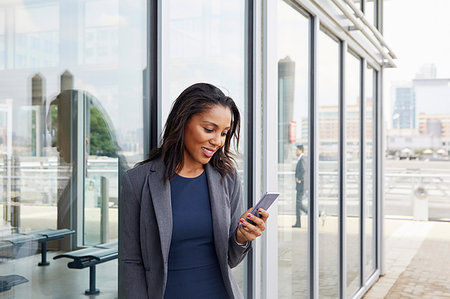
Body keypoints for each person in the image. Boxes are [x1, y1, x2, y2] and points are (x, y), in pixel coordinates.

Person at [120, 83, 269, 298]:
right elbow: (131, 261)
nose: (217, 141)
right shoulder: (138, 181)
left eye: (224, 133)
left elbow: (230, 259)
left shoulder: (227, 178)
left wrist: (241, 237)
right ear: (182, 122)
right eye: (209, 129)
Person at [293, 144, 307, 228]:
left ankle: (316, 214)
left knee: (298, 204)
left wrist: (299, 178)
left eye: (296, 150)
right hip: (301, 185)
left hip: (301, 185)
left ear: (300, 150)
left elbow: (303, 169)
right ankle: (298, 223)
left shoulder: (302, 159)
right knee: (298, 204)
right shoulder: (302, 159)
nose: (295, 152)